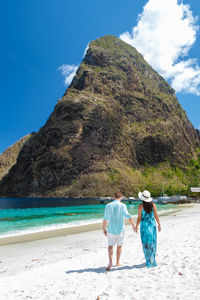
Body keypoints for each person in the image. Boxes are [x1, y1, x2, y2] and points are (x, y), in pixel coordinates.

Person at [103, 191, 135, 271]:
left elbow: (105, 218)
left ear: (114, 197)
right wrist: (133, 225)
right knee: (119, 246)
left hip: (111, 229)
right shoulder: (122, 205)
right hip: (120, 229)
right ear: (121, 197)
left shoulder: (108, 205)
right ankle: (117, 263)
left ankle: (110, 262)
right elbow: (128, 216)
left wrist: (103, 228)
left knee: (110, 246)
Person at [135, 190, 161, 268]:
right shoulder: (153, 205)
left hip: (144, 225)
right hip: (152, 224)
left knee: (145, 243)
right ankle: (153, 260)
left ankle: (148, 261)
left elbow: (139, 218)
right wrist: (159, 224)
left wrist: (136, 226)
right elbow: (156, 216)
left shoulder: (140, 206)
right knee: (153, 242)